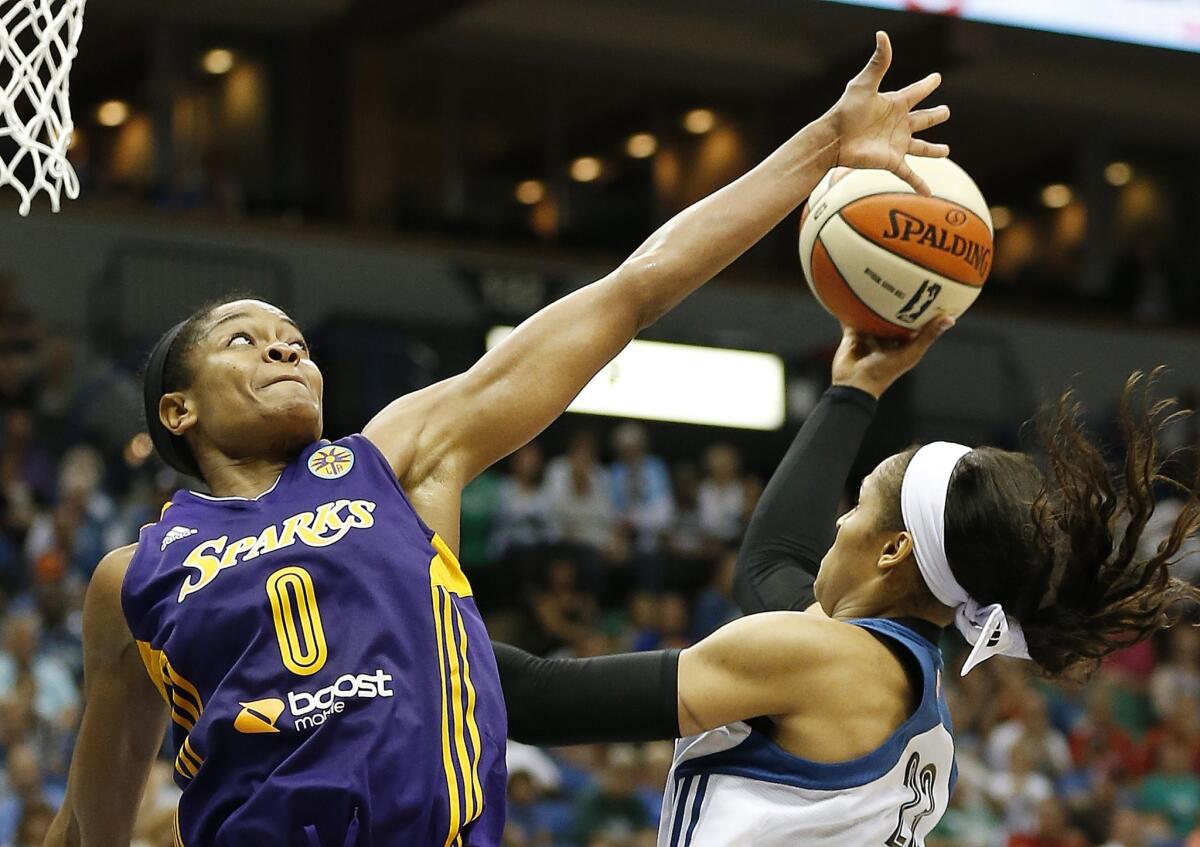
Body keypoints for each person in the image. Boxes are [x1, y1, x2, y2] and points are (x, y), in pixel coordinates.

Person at [45, 30, 953, 847]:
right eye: (242, 338)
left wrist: (824, 145)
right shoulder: (133, 574)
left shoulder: (397, 457)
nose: (283, 343)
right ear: (178, 411)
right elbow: (93, 810)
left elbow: (633, 287)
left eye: (295, 337)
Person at [494, 314, 1200, 845]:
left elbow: (533, 699)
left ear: (893, 550)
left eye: (856, 504)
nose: (835, 523)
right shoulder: (907, 698)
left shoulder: (824, 662)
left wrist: (398, 570)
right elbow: (770, 565)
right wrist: (853, 390)